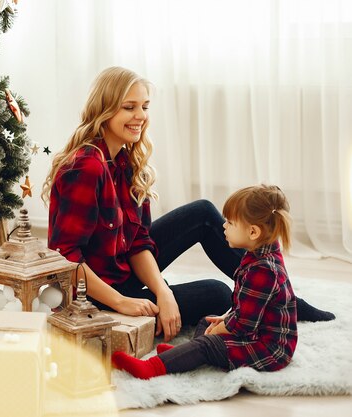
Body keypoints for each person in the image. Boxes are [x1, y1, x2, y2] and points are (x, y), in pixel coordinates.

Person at [42, 66, 334, 343]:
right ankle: (279, 298)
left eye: (144, 106)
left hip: (121, 270)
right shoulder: (86, 168)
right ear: (103, 110)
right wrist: (122, 302)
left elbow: (137, 242)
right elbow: (65, 258)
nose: (140, 116)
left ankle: (283, 297)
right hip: (92, 294)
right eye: (129, 107)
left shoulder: (124, 162)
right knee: (219, 294)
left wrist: (162, 291)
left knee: (203, 213)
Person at [112, 184, 298, 378]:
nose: (224, 226)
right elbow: (246, 306)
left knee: (208, 343)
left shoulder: (263, 270)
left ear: (253, 232)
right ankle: (186, 354)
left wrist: (222, 328)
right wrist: (223, 320)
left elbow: (243, 324)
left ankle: (152, 367)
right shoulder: (260, 252)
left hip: (267, 349)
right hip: (255, 332)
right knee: (206, 321)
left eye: (231, 223)